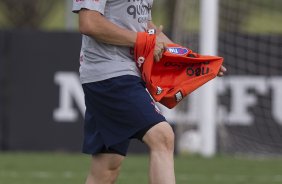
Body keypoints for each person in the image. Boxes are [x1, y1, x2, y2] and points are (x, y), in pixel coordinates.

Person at [72, 1, 226, 184]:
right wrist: (142, 40)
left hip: (126, 71)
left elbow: (144, 25)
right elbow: (89, 23)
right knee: (162, 136)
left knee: (107, 166)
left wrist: (190, 59)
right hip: (109, 73)